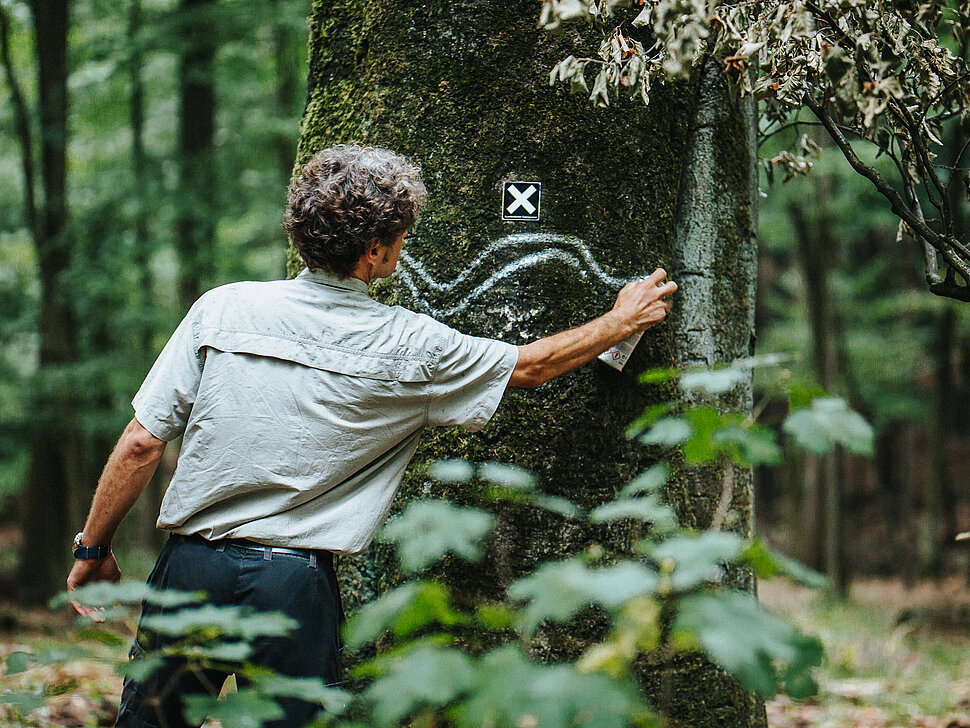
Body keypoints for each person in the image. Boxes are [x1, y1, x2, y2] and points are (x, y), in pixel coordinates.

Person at [66, 144, 677, 728]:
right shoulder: (409, 343)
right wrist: (621, 321)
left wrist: (93, 549)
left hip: (190, 569)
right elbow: (529, 366)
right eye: (400, 238)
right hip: (291, 586)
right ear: (374, 253)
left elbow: (142, 443)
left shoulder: (221, 309)